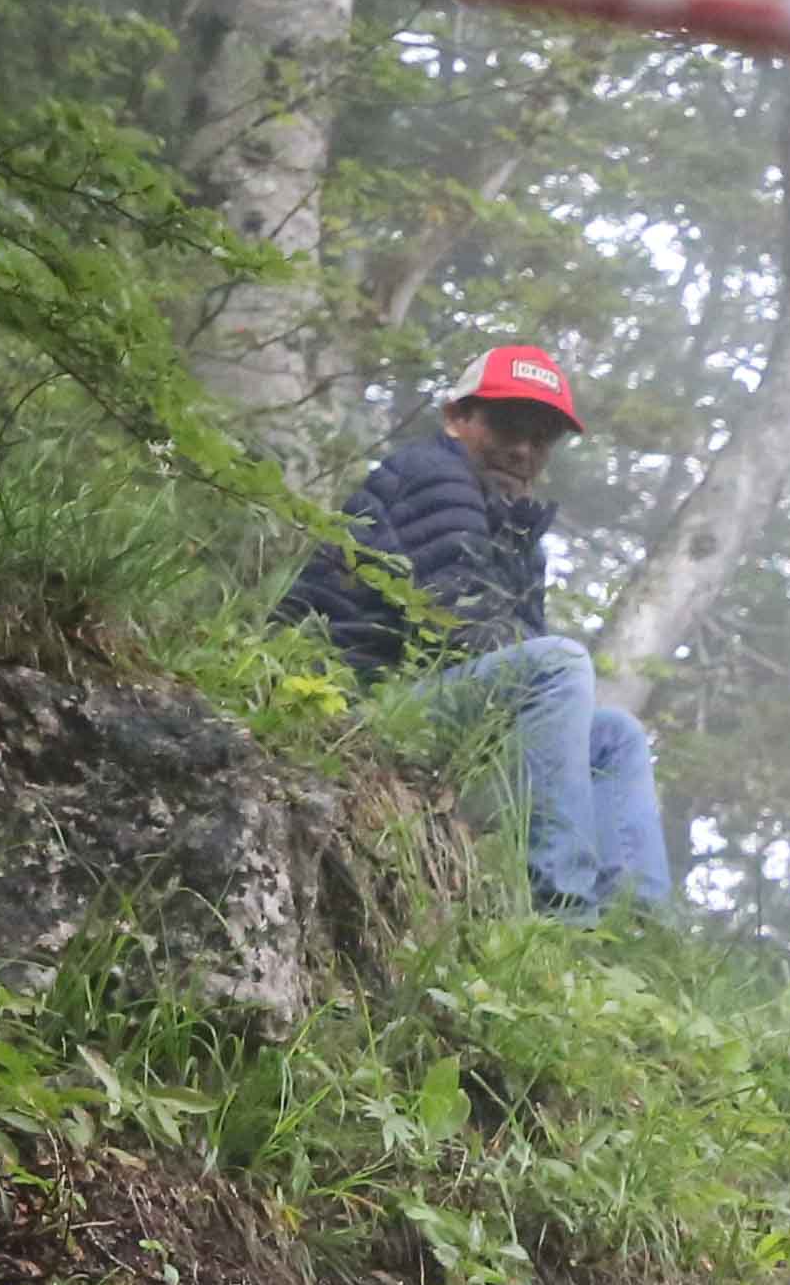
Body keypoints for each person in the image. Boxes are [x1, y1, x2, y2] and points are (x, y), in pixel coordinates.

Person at [280, 342, 672, 917]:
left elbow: (509, 665)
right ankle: (564, 908)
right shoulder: (433, 475)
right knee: (560, 664)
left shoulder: (512, 527)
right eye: (507, 425)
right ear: (457, 417)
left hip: (429, 719)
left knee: (616, 734)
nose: (522, 449)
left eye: (540, 438)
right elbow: (460, 629)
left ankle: (635, 926)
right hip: (354, 709)